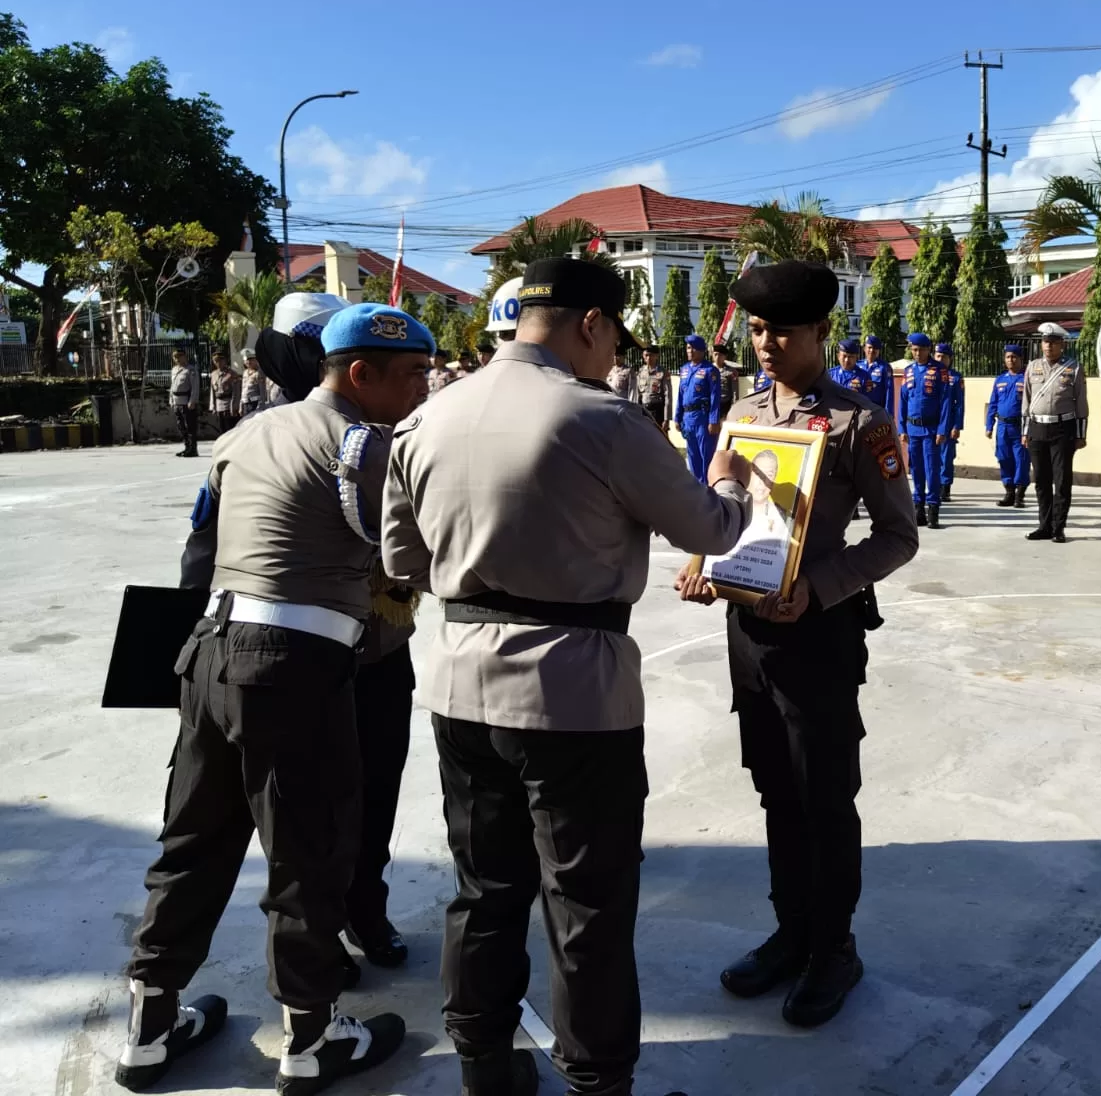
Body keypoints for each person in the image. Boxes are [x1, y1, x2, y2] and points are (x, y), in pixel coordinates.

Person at [382, 257, 750, 1096]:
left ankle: (483, 1065)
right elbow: (709, 527)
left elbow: (403, 560)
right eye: (614, 336)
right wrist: (727, 480)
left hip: (459, 687)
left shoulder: (428, 418)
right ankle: (596, 1079)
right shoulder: (605, 420)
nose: (614, 353)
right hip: (573, 693)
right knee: (585, 903)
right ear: (591, 324)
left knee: (483, 890)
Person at [117, 303, 434, 1095]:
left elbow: (204, 543)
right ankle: (311, 1037)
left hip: (208, 655)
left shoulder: (244, 433)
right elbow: (409, 563)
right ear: (360, 375)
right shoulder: (363, 446)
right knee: (308, 853)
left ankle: (150, 1027)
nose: (423, 391)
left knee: (191, 842)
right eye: (414, 376)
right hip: (294, 668)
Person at [673, 259, 918, 1031]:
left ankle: (834, 949)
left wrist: (822, 586)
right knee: (774, 787)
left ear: (821, 330)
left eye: (782, 328)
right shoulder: (744, 411)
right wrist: (702, 560)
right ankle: (792, 930)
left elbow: (897, 537)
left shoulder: (859, 422)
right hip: (746, 628)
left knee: (823, 793)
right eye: (755, 328)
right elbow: (726, 510)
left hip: (817, 631)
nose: (767, 341)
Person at [1021, 322, 1087, 544]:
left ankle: (1059, 527)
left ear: (1062, 344)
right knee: (1041, 480)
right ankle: (1044, 525)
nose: (1048, 346)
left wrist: (1080, 435)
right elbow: (1026, 401)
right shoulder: (1032, 367)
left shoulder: (1074, 368)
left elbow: (1081, 404)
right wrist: (1025, 431)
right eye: (1045, 342)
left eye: (1053, 342)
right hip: (1037, 428)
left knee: (1061, 480)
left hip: (1063, 429)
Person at [897, 331, 951, 528]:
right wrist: (901, 427)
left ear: (929, 349)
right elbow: (903, 401)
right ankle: (918, 509)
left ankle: (933, 510)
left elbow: (945, 402)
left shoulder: (939, 371)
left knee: (932, 471)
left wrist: (942, 429)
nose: (917, 353)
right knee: (916, 470)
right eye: (914, 349)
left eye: (921, 349)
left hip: (931, 429)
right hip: (913, 429)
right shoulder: (909, 371)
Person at [984, 345, 1030, 508]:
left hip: (1019, 427)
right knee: (1004, 458)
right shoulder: (1000, 379)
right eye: (1008, 357)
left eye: (1014, 357)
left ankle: (1020, 495)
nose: (1011, 360)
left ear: (1020, 359)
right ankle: (1009, 492)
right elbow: (993, 404)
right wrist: (989, 425)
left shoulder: (1026, 378)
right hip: (1002, 426)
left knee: (1021, 460)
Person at [677, 333, 722, 482]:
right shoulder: (684, 370)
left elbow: (715, 396)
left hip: (703, 418)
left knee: (706, 455)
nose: (690, 351)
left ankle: (709, 488)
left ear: (702, 351)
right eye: (688, 348)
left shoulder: (710, 370)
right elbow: (680, 395)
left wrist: (713, 420)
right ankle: (697, 487)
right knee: (692, 455)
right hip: (688, 419)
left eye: (693, 348)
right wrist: (677, 417)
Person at [934, 342, 965, 501]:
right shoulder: (930, 374)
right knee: (933, 457)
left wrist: (957, 426)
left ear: (950, 359)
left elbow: (959, 404)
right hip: (932, 422)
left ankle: (945, 488)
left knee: (946, 457)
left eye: (943, 357)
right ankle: (934, 486)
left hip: (948, 424)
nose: (940, 359)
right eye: (938, 356)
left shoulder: (956, 377)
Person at [635, 343, 673, 430]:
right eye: (647, 355)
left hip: (658, 412)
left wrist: (666, 419)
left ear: (657, 356)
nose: (648, 358)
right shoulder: (641, 372)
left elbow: (668, 397)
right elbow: (638, 394)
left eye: (651, 355)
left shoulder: (663, 373)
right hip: (644, 411)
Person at [170, 347, 200, 457]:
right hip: (177, 401)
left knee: (190, 426)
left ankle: (193, 449)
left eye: (179, 356)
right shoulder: (174, 370)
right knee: (181, 426)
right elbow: (172, 386)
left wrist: (193, 401)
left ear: (184, 357)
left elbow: (195, 387)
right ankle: (187, 447)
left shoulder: (190, 370)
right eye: (175, 357)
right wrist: (172, 400)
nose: (177, 359)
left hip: (186, 401)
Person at [859, 335, 892, 409]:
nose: (872, 350)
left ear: (879, 351)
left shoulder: (884, 368)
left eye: (875, 348)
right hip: (860, 409)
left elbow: (889, 392)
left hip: (876, 410)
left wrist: (888, 415)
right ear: (864, 348)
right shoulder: (858, 366)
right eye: (869, 347)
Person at [712, 341, 743, 419]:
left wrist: (734, 408)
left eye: (720, 355)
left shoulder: (731, 372)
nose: (717, 357)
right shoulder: (707, 370)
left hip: (724, 406)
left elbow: (735, 392)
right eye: (715, 354)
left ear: (725, 356)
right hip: (710, 405)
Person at [209, 358, 239, 435]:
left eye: (221, 360)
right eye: (216, 361)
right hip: (219, 405)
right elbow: (212, 391)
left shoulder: (232, 373)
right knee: (221, 429)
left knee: (230, 429)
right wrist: (213, 406)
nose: (219, 363)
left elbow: (236, 392)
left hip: (228, 404)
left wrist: (234, 406)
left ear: (225, 361)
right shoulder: (214, 374)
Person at [239, 350, 266, 416]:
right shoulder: (245, 372)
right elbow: (243, 390)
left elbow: (262, 390)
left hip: (255, 403)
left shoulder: (259, 373)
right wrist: (241, 405)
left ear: (255, 360)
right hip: (245, 403)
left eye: (251, 359)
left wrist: (261, 405)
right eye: (246, 360)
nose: (248, 362)